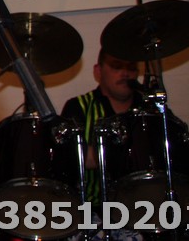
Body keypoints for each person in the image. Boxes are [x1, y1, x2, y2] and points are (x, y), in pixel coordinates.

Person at [61, 48, 144, 241]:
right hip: (93, 207)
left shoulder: (150, 109)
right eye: (116, 66)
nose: (125, 73)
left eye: (131, 67)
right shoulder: (78, 106)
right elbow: (67, 160)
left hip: (147, 204)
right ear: (98, 71)